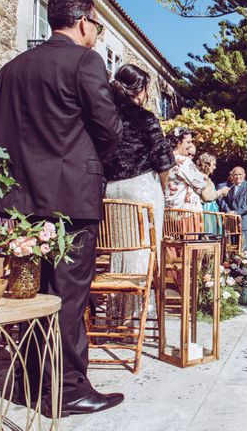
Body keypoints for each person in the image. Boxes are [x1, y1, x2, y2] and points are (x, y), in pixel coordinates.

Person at [0, 0, 124, 414]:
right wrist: (91, 163)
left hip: (18, 202)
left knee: (29, 292)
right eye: (97, 26)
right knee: (68, 295)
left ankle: (29, 377)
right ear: (84, 21)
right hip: (70, 199)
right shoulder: (86, 61)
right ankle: (67, 389)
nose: (95, 34)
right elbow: (110, 129)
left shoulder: (10, 70)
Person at [103, 64, 175, 319]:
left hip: (110, 190)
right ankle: (135, 316)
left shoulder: (105, 117)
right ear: (140, 89)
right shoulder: (145, 118)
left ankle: (116, 314)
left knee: (119, 250)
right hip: (142, 187)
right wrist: (160, 188)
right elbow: (164, 161)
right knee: (143, 251)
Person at [164, 127, 210, 212]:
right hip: (186, 213)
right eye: (188, 142)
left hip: (169, 212)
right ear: (178, 142)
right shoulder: (183, 161)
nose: (190, 145)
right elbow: (201, 183)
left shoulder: (165, 160)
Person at [221, 167, 247, 254]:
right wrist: (229, 211)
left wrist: (236, 212)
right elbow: (224, 201)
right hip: (234, 224)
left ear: (244, 175)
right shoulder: (230, 188)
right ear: (232, 176)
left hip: (246, 223)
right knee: (235, 252)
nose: (238, 176)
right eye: (235, 174)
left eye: (240, 174)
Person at [195, 152, 229, 235]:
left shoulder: (207, 178)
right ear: (206, 164)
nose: (215, 167)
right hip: (207, 212)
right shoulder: (202, 178)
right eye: (213, 164)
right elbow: (206, 197)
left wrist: (220, 194)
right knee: (210, 238)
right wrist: (221, 191)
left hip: (212, 210)